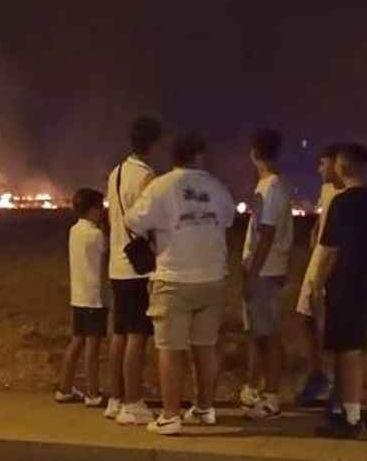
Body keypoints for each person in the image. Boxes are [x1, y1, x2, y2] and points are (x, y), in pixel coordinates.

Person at [125, 134, 234, 436]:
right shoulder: (217, 187)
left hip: (174, 276)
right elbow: (226, 221)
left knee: (171, 348)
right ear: (199, 156)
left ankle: (170, 415)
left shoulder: (161, 186)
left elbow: (133, 221)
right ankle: (204, 408)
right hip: (212, 275)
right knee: (205, 346)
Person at [313, 143, 367, 439]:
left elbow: (329, 251)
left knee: (348, 351)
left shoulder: (343, 203)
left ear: (342, 166)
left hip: (345, 285)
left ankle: (351, 417)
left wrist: (317, 285)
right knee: (359, 344)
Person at [104, 116, 163, 425]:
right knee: (138, 335)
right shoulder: (147, 176)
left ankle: (115, 398)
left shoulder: (115, 173)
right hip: (137, 267)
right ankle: (133, 402)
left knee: (120, 334)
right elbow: (148, 221)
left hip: (116, 262)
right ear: (153, 143)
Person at [239, 128, 293, 420]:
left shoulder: (269, 187)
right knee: (259, 333)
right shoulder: (279, 184)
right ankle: (255, 389)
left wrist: (252, 273)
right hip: (271, 268)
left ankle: (271, 398)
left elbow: (267, 233)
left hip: (265, 271)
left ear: (254, 153)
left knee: (268, 335)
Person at [290, 144, 345, 408]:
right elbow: (325, 218)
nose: (319, 169)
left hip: (333, 262)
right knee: (306, 317)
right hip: (317, 258)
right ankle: (318, 374)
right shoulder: (327, 190)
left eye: (324, 164)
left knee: (334, 324)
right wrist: (315, 228)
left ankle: (340, 386)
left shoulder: (348, 193)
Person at [56, 188, 109, 406]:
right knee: (92, 347)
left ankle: (64, 388)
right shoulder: (96, 235)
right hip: (94, 296)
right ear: (92, 209)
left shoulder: (74, 231)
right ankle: (93, 393)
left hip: (77, 296)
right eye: (100, 208)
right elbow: (107, 255)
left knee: (77, 342)